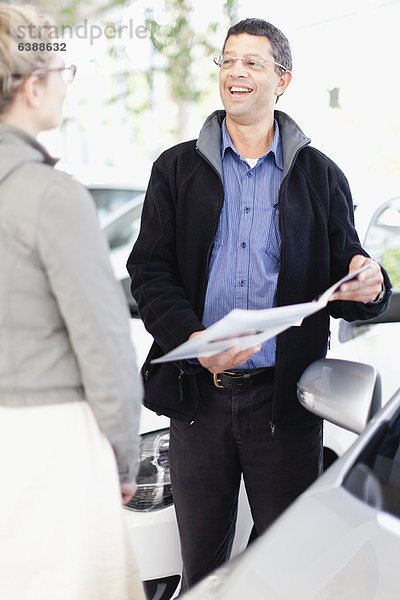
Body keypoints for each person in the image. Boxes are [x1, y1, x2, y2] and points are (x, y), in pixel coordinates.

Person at [127, 18, 391, 592]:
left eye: (252, 62)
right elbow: (147, 273)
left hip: (285, 407)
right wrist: (196, 344)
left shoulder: (320, 177)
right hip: (198, 402)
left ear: (283, 80)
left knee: (283, 568)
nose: (236, 72)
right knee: (202, 568)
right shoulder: (175, 170)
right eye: (228, 61)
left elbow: (348, 274)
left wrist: (371, 284)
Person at [0, 4, 145, 599]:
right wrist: (120, 457)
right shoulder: (50, 196)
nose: (67, 84)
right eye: (66, 70)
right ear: (33, 87)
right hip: (48, 448)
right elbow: (105, 345)